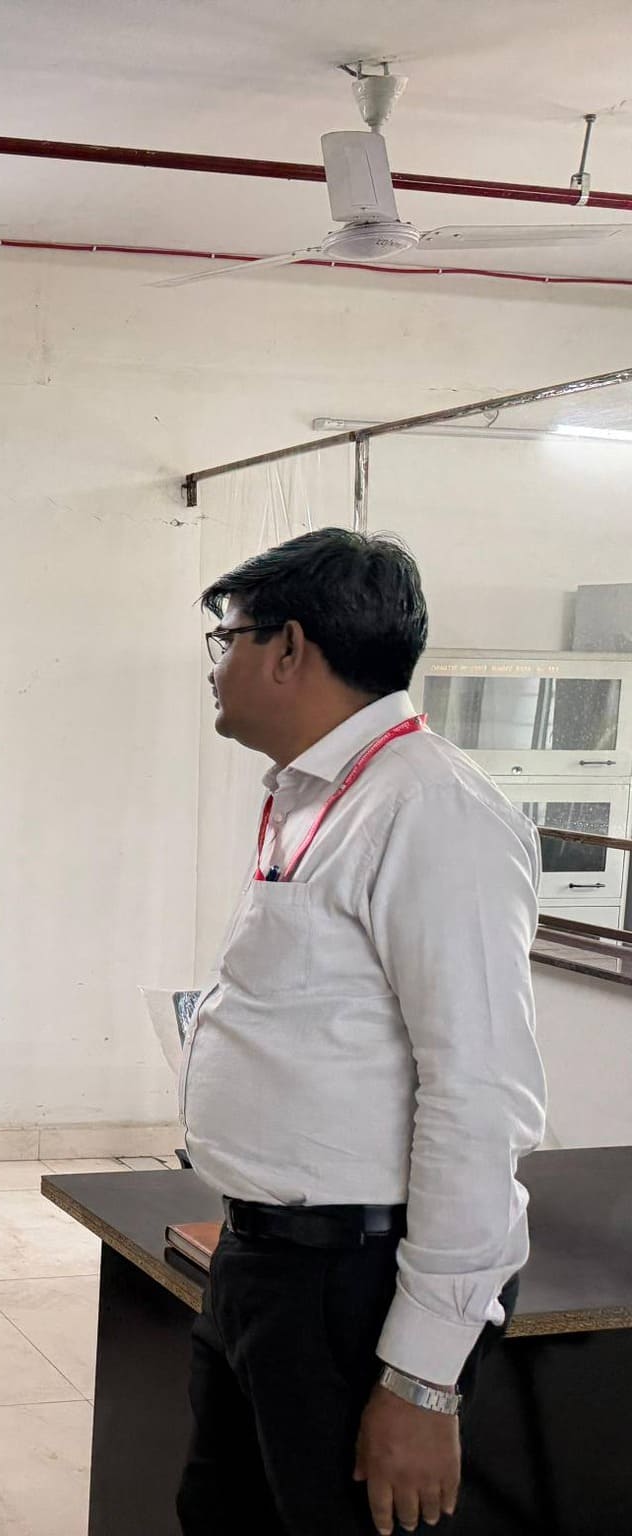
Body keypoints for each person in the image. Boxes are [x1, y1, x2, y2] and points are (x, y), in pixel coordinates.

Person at [181, 529, 547, 1536]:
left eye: (225, 638)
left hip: (348, 1286)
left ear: (288, 648)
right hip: (263, 1264)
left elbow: (476, 1095)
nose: (214, 666)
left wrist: (422, 1379)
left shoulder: (431, 810)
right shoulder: (318, 796)